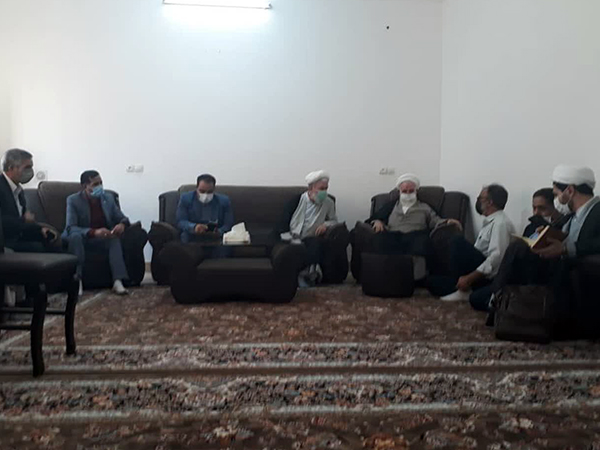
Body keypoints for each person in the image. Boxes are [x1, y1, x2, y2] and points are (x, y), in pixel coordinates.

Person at [491, 165, 600, 336]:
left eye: (556, 195)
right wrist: (546, 234)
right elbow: (564, 237)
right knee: (521, 247)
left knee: (517, 249)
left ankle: (497, 302)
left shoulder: (597, 210)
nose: (556, 200)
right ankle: (503, 301)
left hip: (574, 272)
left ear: (570, 190)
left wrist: (566, 249)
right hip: (556, 266)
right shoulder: (571, 215)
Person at [429, 184, 515, 310]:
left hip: (487, 277)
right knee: (432, 282)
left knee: (457, 241)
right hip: (477, 273)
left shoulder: (500, 224)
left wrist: (469, 278)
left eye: (480, 198)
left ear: (490, 202)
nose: (478, 201)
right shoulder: (490, 221)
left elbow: (496, 258)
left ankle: (464, 290)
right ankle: (463, 287)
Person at [63, 170, 131, 295]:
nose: (100, 187)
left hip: (101, 238)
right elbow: (70, 227)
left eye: (101, 183)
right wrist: (93, 232)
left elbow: (122, 218)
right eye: (95, 184)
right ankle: (77, 280)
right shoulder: (73, 200)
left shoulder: (108, 198)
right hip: (82, 237)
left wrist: (122, 224)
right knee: (75, 237)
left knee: (114, 239)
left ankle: (117, 281)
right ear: (85, 186)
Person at [367, 173, 462, 259]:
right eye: (405, 191)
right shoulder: (391, 206)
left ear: (416, 191)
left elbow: (435, 220)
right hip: (392, 236)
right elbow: (375, 218)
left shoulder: (425, 207)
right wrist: (377, 221)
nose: (408, 194)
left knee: (423, 244)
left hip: (415, 237)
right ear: (399, 192)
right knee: (378, 240)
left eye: (411, 191)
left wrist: (447, 221)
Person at [0, 148, 58, 251]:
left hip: (18, 236)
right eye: (27, 167)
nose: (30, 172)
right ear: (11, 168)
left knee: (51, 241)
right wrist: (23, 220)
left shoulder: (19, 191)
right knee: (38, 248)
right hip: (5, 241)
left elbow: (23, 223)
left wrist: (40, 229)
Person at [289, 170, 339, 286]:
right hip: (295, 236)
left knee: (315, 243)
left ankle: (308, 275)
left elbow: (334, 220)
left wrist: (325, 225)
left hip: (312, 237)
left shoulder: (329, 202)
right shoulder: (299, 200)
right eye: (321, 189)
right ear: (311, 188)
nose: (324, 192)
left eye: (326, 188)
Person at [176, 174, 234, 258]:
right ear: (196, 188)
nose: (205, 195)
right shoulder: (186, 198)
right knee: (184, 237)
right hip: (192, 235)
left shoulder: (224, 201)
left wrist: (219, 231)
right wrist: (194, 227)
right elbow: (181, 221)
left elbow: (228, 224)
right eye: (202, 191)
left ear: (214, 190)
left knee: (225, 247)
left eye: (209, 192)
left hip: (215, 237)